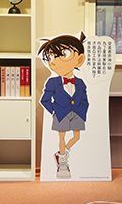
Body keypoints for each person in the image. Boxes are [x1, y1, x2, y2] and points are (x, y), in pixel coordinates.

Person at [38, 33, 89, 179]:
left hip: (77, 113)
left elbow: (85, 99)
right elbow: (45, 100)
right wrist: (55, 111)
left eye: (63, 55)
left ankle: (62, 153)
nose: (54, 62)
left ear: (79, 60)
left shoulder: (80, 82)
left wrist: (82, 111)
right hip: (61, 114)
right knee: (61, 138)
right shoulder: (53, 82)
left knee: (76, 137)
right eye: (51, 57)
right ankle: (62, 162)